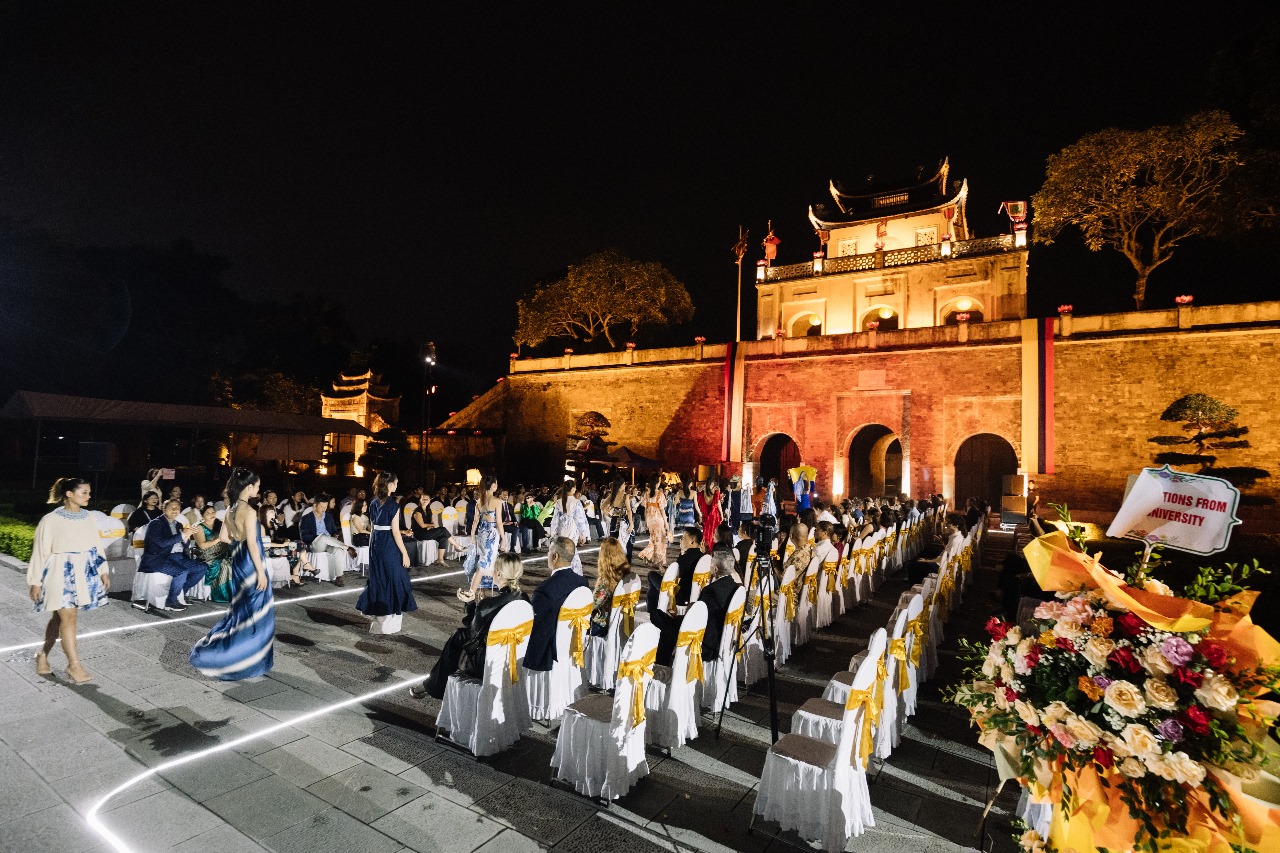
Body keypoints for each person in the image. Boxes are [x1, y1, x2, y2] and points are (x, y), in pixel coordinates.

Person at [190, 467, 275, 681]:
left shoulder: (230, 509)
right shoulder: (250, 511)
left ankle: (241, 653)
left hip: (237, 559)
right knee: (257, 611)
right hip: (250, 561)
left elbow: (225, 538)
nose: (259, 488)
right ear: (248, 487)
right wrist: (261, 573)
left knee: (241, 608)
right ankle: (248, 658)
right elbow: (254, 545)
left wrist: (238, 542)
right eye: (257, 485)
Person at [413, 552, 529, 699]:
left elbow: (472, 632)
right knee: (460, 635)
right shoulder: (524, 600)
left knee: (459, 635)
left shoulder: (488, 604)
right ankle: (432, 684)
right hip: (515, 657)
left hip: (488, 662)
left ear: (498, 574)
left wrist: (471, 603)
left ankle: (434, 685)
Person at [28, 477, 110, 684]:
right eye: (84, 492)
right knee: (69, 617)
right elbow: (40, 552)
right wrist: (35, 581)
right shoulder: (50, 520)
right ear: (69, 494)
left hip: (82, 572)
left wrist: (103, 570)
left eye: (89, 492)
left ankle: (43, 655)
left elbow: (96, 545)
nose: (89, 496)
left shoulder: (89, 517)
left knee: (60, 619)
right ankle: (74, 665)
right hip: (58, 571)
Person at [357, 471, 416, 632]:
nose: (397, 486)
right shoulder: (394, 505)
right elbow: (395, 532)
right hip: (388, 544)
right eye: (395, 483)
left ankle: (382, 618)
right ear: (390, 485)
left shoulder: (373, 502)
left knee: (380, 578)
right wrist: (404, 553)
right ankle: (389, 619)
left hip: (376, 542)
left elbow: (374, 526)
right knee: (396, 577)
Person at [524, 537, 591, 673]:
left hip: (548, 657)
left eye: (549, 552)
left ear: (555, 556)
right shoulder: (582, 582)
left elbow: (536, 631)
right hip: (572, 646)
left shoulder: (545, 591)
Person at [137, 499, 207, 613]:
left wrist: (186, 537)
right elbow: (162, 543)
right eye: (171, 508)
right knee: (181, 572)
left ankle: (181, 592)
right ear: (164, 509)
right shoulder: (156, 524)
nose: (175, 510)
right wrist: (182, 534)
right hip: (159, 558)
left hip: (178, 556)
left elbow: (185, 544)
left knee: (202, 568)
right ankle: (171, 602)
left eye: (177, 508)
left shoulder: (178, 524)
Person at [300, 492, 355, 586]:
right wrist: (318, 537)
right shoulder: (306, 518)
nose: (324, 509)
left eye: (326, 506)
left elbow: (333, 531)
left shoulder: (328, 516)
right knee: (323, 537)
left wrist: (335, 535)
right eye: (322, 507)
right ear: (315, 505)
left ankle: (339, 577)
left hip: (328, 542)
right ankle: (346, 547)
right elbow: (304, 536)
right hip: (315, 544)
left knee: (338, 550)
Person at [463, 475, 502, 593]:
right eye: (496, 484)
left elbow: (475, 521)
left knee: (485, 561)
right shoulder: (497, 501)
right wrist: (504, 540)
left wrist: (472, 536)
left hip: (481, 533)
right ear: (493, 486)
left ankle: (481, 590)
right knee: (486, 562)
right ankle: (472, 591)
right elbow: (499, 522)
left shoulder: (480, 501)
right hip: (491, 533)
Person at [589, 536, 634, 637]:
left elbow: (593, 606)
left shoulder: (605, 580)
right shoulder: (627, 574)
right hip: (621, 620)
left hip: (602, 624)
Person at [546, 480, 589, 573]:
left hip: (561, 530)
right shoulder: (576, 502)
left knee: (561, 552)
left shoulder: (559, 502)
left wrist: (553, 533)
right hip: (571, 530)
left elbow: (555, 520)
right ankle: (574, 573)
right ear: (573, 489)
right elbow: (580, 519)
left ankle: (559, 572)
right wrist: (584, 534)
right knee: (571, 552)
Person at [194, 503, 234, 602]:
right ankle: (221, 595)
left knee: (233, 561)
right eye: (208, 513)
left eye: (213, 512)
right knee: (225, 565)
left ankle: (234, 593)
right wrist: (218, 539)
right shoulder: (199, 527)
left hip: (222, 552)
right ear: (202, 515)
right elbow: (202, 545)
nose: (211, 515)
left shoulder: (219, 524)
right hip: (207, 554)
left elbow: (230, 537)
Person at [635, 476, 669, 566]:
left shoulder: (646, 494)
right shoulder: (660, 494)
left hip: (650, 520)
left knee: (653, 539)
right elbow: (662, 510)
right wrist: (666, 523)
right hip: (658, 520)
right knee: (660, 541)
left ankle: (649, 556)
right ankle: (657, 560)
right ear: (657, 483)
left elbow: (645, 509)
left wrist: (646, 521)